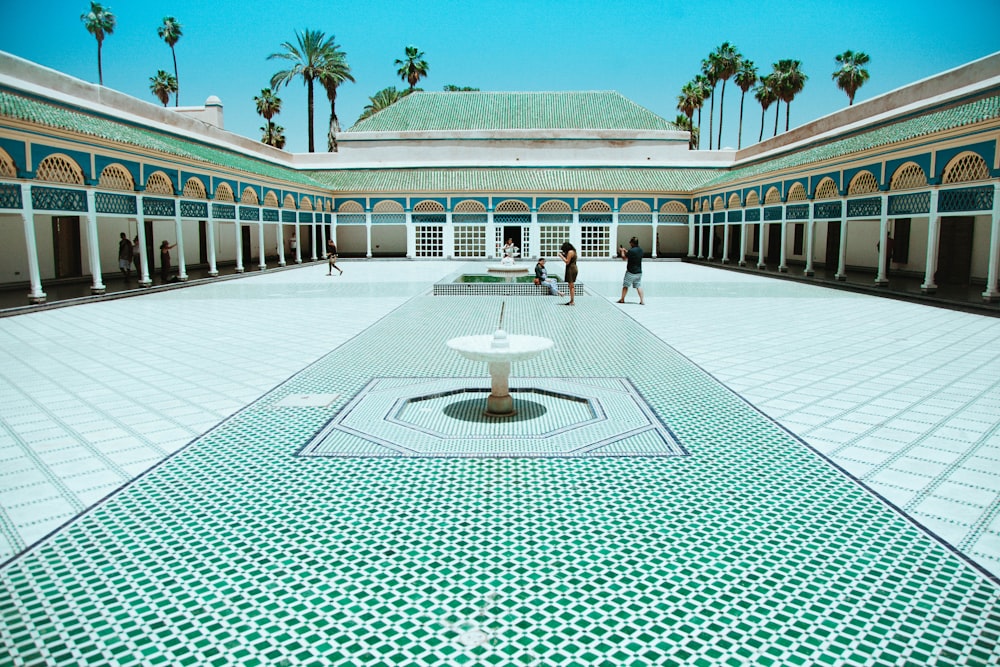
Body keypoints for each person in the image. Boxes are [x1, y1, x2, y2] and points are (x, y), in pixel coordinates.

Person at [617, 237, 645, 305]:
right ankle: (642, 300)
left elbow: (624, 258)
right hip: (639, 272)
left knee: (626, 285)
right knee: (638, 286)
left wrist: (622, 251)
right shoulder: (641, 250)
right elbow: (633, 254)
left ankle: (622, 299)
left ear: (632, 243)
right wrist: (627, 251)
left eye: (630, 242)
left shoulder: (631, 251)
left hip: (630, 272)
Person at [557, 241, 577, 305]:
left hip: (571, 268)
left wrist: (561, 256)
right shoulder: (573, 251)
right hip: (573, 267)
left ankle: (572, 301)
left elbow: (567, 261)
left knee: (571, 286)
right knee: (571, 285)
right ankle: (571, 300)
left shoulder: (570, 252)